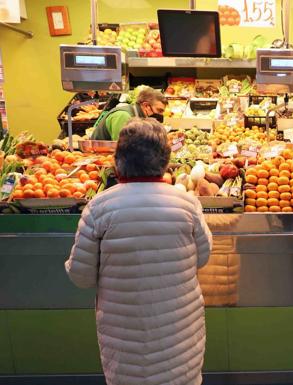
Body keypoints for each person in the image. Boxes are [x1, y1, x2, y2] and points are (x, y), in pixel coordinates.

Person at [65, 118, 212, 385]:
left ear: (118, 159)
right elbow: (203, 257)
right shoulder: (187, 204)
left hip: (125, 339)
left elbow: (81, 276)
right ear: (165, 161)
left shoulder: (99, 207)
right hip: (179, 333)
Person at [91, 87, 168, 141]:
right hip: (99, 159)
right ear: (146, 105)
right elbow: (122, 146)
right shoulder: (123, 116)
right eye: (159, 110)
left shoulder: (138, 116)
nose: (161, 114)